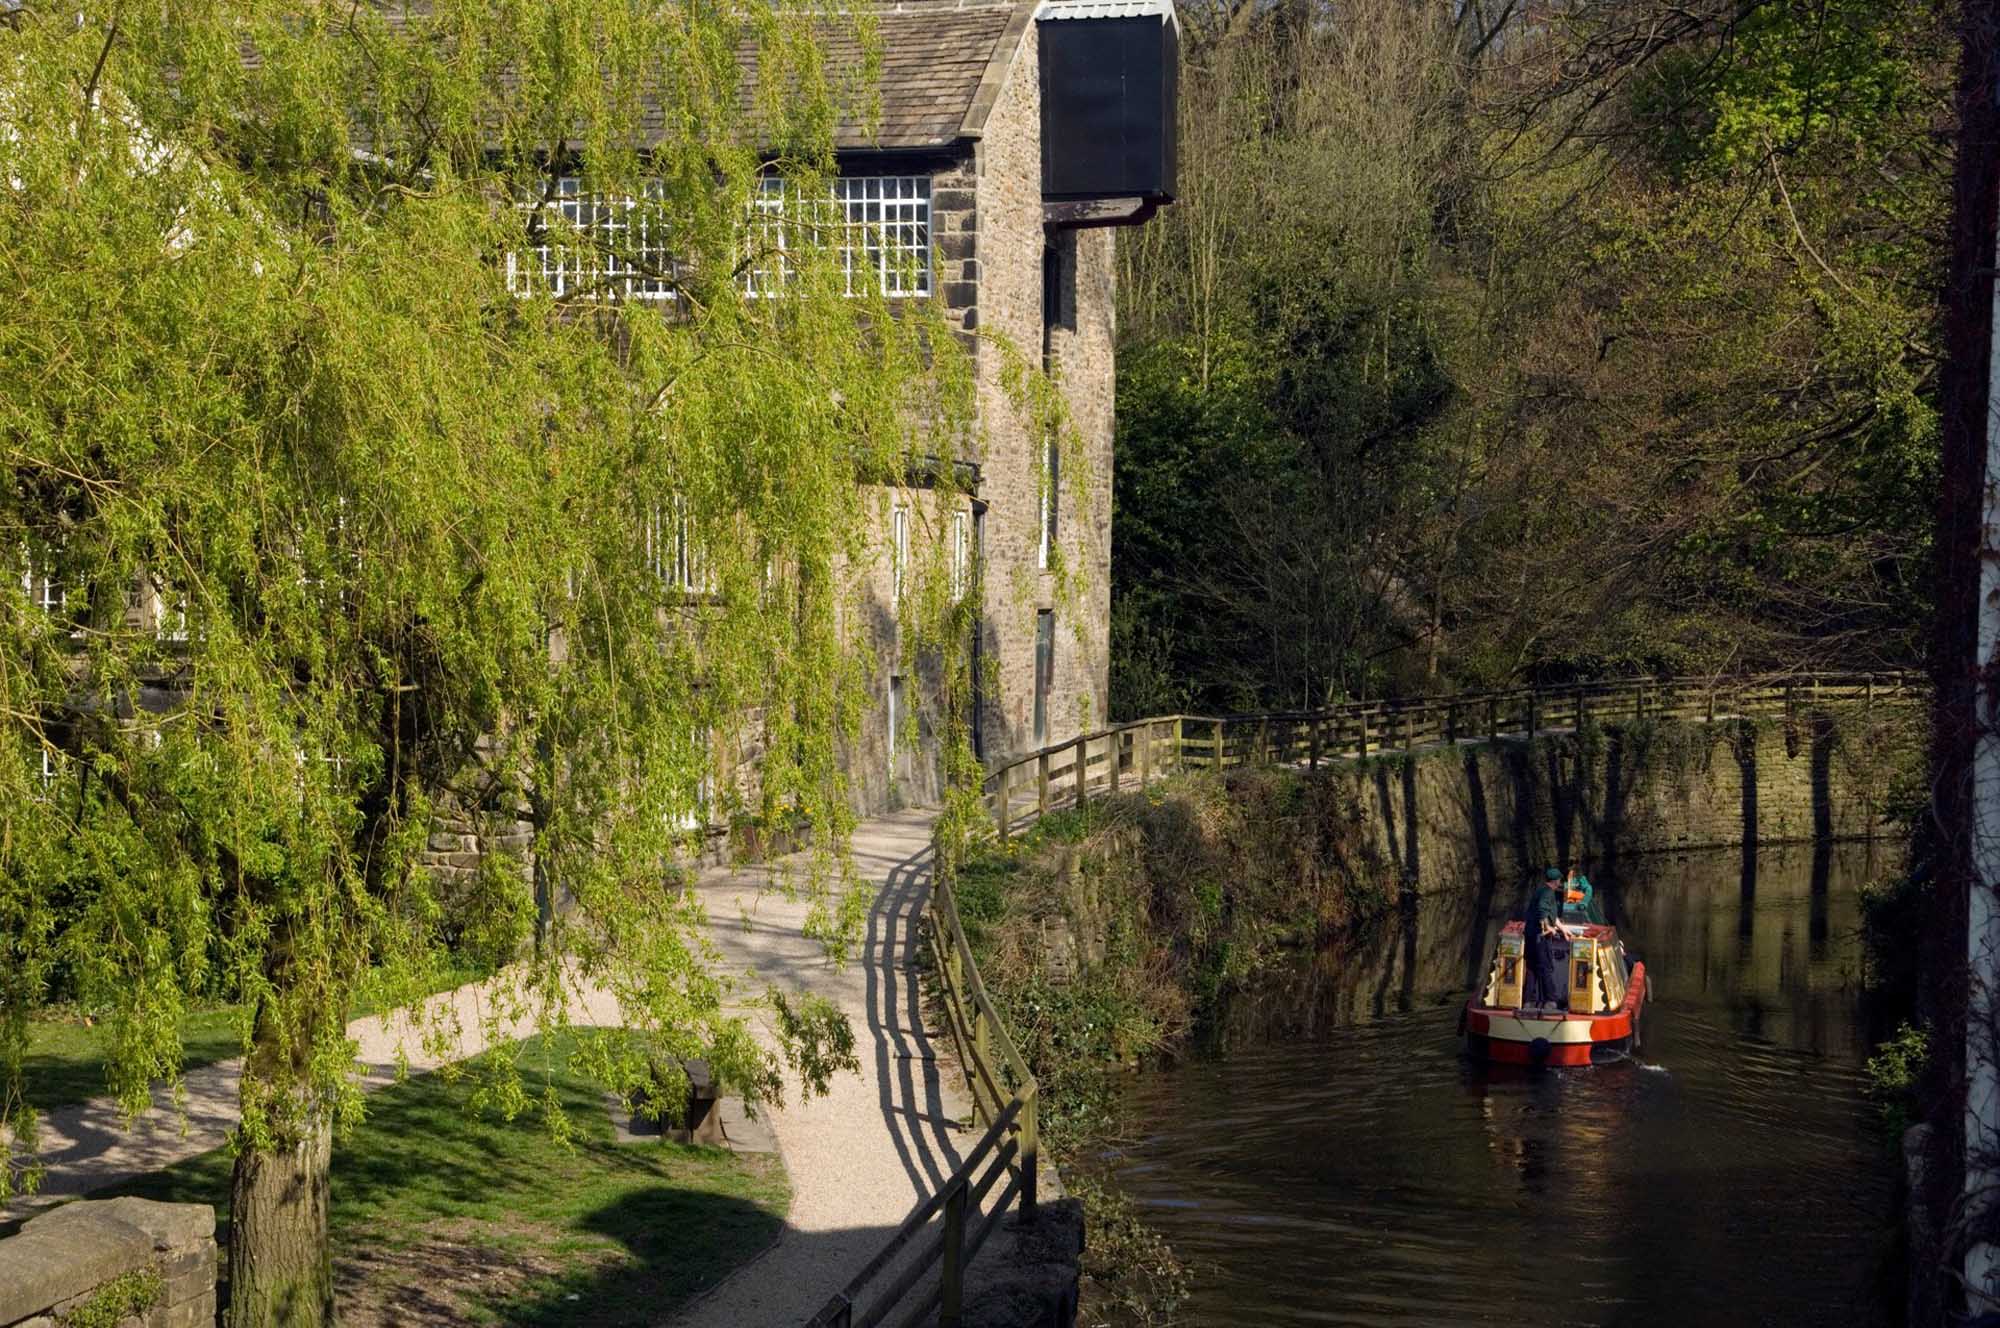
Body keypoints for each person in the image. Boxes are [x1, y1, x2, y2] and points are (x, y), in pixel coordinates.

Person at [1522, 868, 1564, 1009]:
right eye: (1559, 879)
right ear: (1556, 881)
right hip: (1540, 937)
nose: (1560, 882)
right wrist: (1547, 927)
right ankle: (1550, 1001)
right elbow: (1542, 909)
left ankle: (1529, 1000)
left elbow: (1550, 914)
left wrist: (1563, 928)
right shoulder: (1548, 893)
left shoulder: (1539, 891)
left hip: (1530, 935)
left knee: (1532, 966)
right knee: (1546, 967)